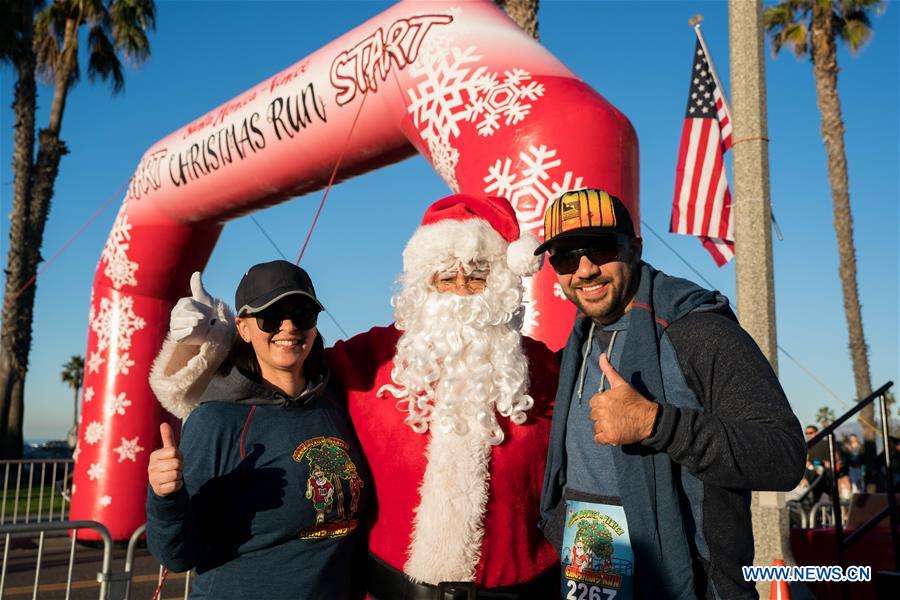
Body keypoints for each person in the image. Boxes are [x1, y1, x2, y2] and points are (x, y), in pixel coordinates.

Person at [149, 194, 561, 598]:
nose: (458, 292)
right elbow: (276, 366)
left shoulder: (548, 370)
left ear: (500, 284)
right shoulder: (373, 357)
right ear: (424, 285)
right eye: (445, 278)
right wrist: (207, 341)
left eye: (475, 277)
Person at [536, 189, 807, 599]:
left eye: (602, 247)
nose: (585, 269)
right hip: (591, 576)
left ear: (635, 248)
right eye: (566, 257)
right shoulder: (578, 343)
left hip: (689, 584)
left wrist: (656, 423)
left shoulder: (697, 330)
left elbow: (783, 455)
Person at [146, 261, 370, 600]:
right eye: (271, 316)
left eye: (303, 313)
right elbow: (178, 555)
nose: (288, 326)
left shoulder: (334, 402)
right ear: (243, 328)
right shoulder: (217, 420)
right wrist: (165, 496)